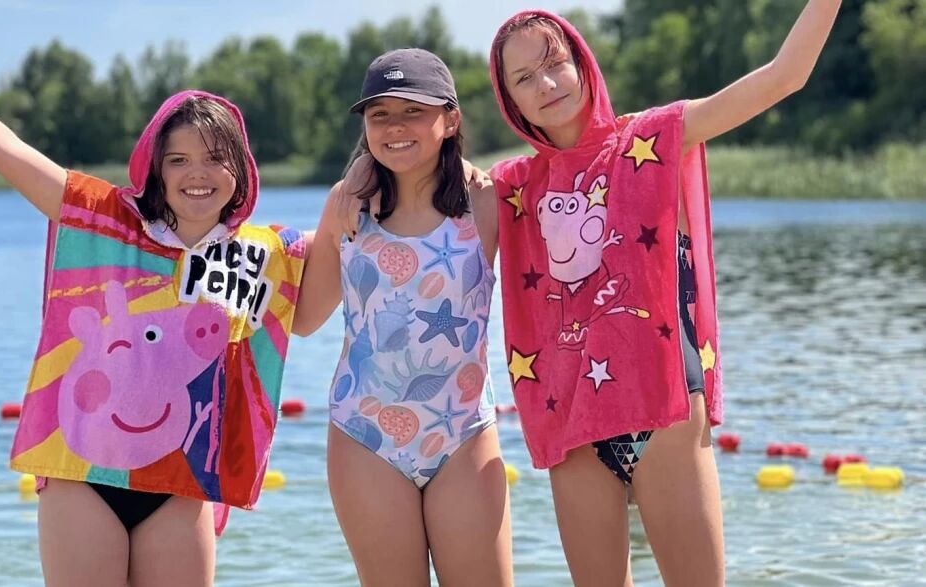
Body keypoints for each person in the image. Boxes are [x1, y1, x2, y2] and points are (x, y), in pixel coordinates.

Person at [0, 22, 308, 586]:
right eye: (177, 160)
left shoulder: (262, 254)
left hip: (180, 486)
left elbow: (343, 259)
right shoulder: (102, 220)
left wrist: (355, 190)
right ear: (154, 168)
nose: (197, 174)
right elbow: (5, 152)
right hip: (82, 476)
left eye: (214, 158)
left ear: (242, 168)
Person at [482, 3, 842, 585]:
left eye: (554, 63)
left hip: (664, 410)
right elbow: (423, 191)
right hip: (572, 423)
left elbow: (785, 75)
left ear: (582, 63)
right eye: (524, 78)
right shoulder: (510, 187)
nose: (545, 84)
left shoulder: (653, 137)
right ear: (510, 101)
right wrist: (357, 190)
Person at [294, 48, 512, 586]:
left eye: (413, 111)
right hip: (364, 437)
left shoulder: (488, 202)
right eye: (380, 114)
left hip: (462, 433)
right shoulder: (347, 203)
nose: (394, 127)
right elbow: (304, 319)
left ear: (451, 119)